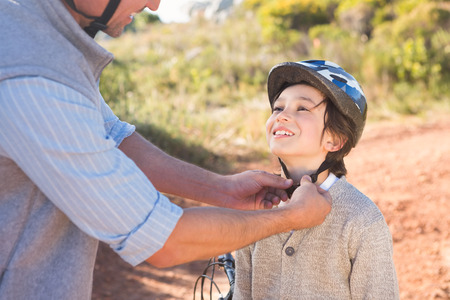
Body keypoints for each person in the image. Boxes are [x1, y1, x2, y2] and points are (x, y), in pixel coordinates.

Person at [0, 1, 332, 299]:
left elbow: (114, 136)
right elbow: (163, 240)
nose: (155, 5)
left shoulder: (40, 37)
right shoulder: (31, 76)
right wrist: (289, 218)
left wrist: (223, 190)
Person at [234, 60, 399, 299]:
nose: (282, 116)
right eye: (278, 108)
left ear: (334, 140)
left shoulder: (362, 220)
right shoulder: (256, 208)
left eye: (302, 109)